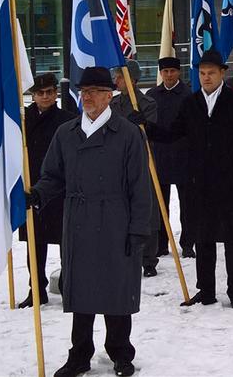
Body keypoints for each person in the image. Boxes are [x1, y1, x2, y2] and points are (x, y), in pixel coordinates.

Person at [29, 66, 152, 377]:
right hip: (79, 221)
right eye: (83, 92)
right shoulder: (66, 133)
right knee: (81, 291)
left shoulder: (127, 134)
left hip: (116, 220)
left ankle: (120, 352)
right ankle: (79, 354)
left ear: (109, 96)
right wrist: (37, 195)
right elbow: (53, 176)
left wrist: (139, 229)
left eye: (94, 91)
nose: (87, 97)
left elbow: (140, 186)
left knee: (116, 292)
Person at [157, 49, 233, 308]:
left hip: (231, 184)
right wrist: (146, 127)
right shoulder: (190, 104)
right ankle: (207, 290)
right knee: (203, 239)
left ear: (223, 73)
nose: (206, 77)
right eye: (202, 73)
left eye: (211, 73)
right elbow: (173, 133)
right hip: (198, 184)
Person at [18, 73, 77, 308]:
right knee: (35, 242)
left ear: (56, 94)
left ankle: (68, 287)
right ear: (33, 95)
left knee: (66, 242)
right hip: (30, 188)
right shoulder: (21, 119)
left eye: (50, 92)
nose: (45, 97)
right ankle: (36, 290)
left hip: (60, 189)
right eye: (40, 93)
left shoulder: (68, 119)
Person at [108, 60, 161, 278]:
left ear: (131, 79)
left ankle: (149, 258)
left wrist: (142, 125)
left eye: (119, 77)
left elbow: (151, 133)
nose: (116, 81)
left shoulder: (146, 103)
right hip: (117, 163)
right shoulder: (112, 104)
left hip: (142, 161)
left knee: (147, 209)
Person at [144, 57, 195, 259]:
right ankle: (161, 244)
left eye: (173, 71)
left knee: (187, 205)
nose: (169, 75)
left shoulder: (189, 95)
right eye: (165, 72)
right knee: (159, 205)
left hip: (184, 157)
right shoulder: (151, 95)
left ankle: (188, 243)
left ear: (179, 72)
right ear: (160, 73)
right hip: (159, 156)